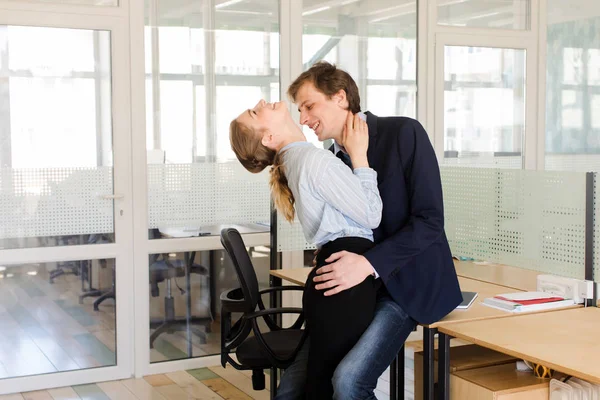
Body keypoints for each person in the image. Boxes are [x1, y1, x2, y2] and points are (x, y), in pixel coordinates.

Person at [275, 62, 463, 399]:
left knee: (348, 381)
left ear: (341, 97)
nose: (303, 118)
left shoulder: (404, 133)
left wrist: (367, 263)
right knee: (292, 385)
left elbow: (430, 221)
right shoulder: (327, 160)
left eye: (309, 105)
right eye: (299, 110)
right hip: (356, 291)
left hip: (404, 286)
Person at [229, 98, 383, 399]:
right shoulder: (313, 160)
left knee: (318, 383)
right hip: (344, 282)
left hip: (335, 276)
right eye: (255, 111)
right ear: (269, 138)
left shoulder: (298, 161)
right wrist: (360, 156)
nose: (261, 102)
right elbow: (371, 214)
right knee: (328, 387)